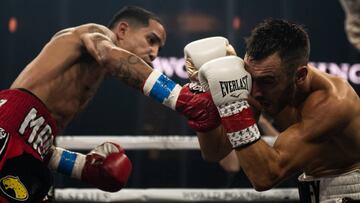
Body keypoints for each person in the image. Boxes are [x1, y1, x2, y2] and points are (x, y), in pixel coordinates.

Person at [0, 6, 169, 202]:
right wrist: (177, 96)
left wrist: (84, 166)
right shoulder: (96, 33)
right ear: (122, 30)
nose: (155, 52)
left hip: (29, 140)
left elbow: (35, 138)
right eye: (151, 40)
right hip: (12, 120)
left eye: (159, 47)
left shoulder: (89, 73)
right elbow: (109, 55)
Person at [190, 18, 360, 202]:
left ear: (300, 76)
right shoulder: (264, 86)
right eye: (251, 78)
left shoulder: (332, 102)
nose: (255, 91)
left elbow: (265, 177)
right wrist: (206, 109)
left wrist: (234, 108)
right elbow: (215, 152)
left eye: (267, 81)